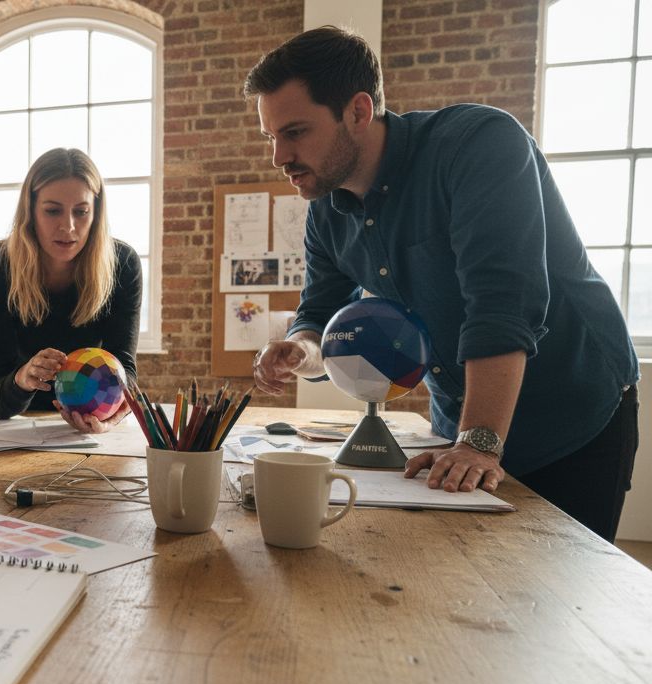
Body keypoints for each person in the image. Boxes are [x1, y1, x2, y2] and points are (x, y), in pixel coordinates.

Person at [245, 27, 639, 541]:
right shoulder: (326, 212)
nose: (278, 156)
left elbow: (502, 305)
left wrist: (478, 441)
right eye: (270, 137)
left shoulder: (478, 144)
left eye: (294, 132)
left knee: (565, 608)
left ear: (359, 112)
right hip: (461, 427)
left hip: (571, 420)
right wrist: (300, 351)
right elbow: (319, 317)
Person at [0, 148, 140, 434]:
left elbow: (124, 369)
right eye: (52, 211)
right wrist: (23, 378)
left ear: (96, 212)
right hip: (19, 430)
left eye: (81, 211)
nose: (68, 226)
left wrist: (116, 411)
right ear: (30, 211)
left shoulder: (123, 265)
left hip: (90, 419)